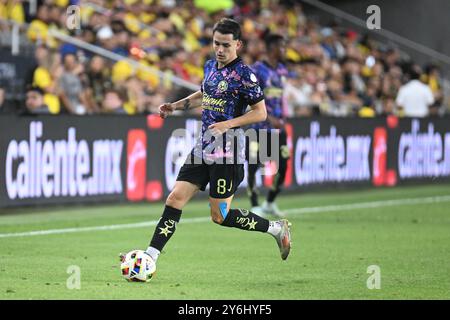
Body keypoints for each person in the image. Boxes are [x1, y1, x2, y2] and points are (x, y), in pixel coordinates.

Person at [124, 18, 292, 268]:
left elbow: (261, 113)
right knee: (174, 199)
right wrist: (175, 106)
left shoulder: (246, 76)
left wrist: (228, 124)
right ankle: (151, 256)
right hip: (205, 147)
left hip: (229, 151)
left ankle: (275, 228)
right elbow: (204, 94)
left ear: (238, 44)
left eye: (226, 44)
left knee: (220, 216)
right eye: (216, 43)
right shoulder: (211, 66)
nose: (220, 49)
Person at [246, 34, 290, 217]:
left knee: (284, 164)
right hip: (259, 127)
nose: (284, 50)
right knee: (255, 164)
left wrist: (283, 118)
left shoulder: (281, 70)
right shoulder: (257, 69)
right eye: (281, 46)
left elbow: (281, 97)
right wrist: (268, 117)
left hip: (278, 128)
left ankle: (270, 201)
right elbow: (249, 97)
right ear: (272, 48)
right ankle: (255, 204)